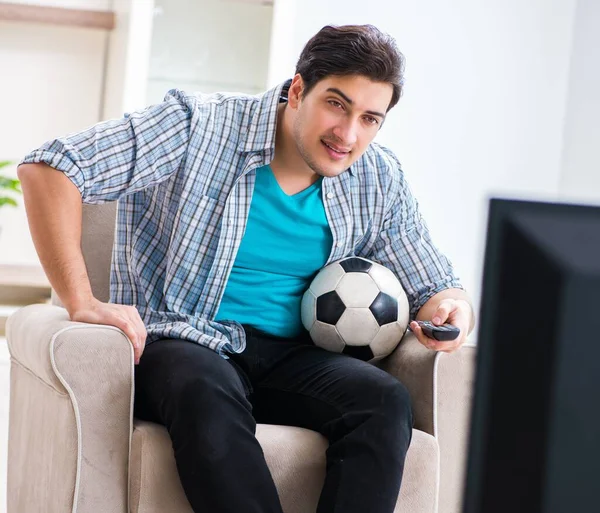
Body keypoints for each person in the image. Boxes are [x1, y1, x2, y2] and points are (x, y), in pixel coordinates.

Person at [18, 24, 474, 513]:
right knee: (203, 389)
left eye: (370, 118)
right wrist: (80, 301)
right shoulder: (197, 125)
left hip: (295, 357)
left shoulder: (378, 177)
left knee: (384, 402)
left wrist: (451, 314)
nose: (348, 134)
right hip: (187, 340)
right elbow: (50, 166)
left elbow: (436, 285)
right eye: (336, 104)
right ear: (298, 89)